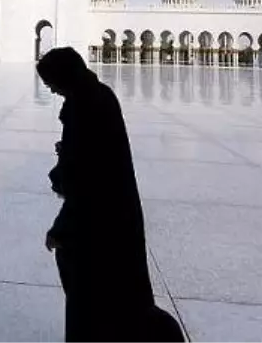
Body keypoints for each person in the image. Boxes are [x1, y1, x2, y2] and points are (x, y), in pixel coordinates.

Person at [39, 47, 185, 343]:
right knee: (121, 291)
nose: (51, 90)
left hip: (97, 224)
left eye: (51, 82)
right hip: (118, 215)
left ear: (64, 75)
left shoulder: (82, 105)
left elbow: (85, 179)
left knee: (91, 295)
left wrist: (61, 228)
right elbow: (93, 158)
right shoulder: (98, 94)